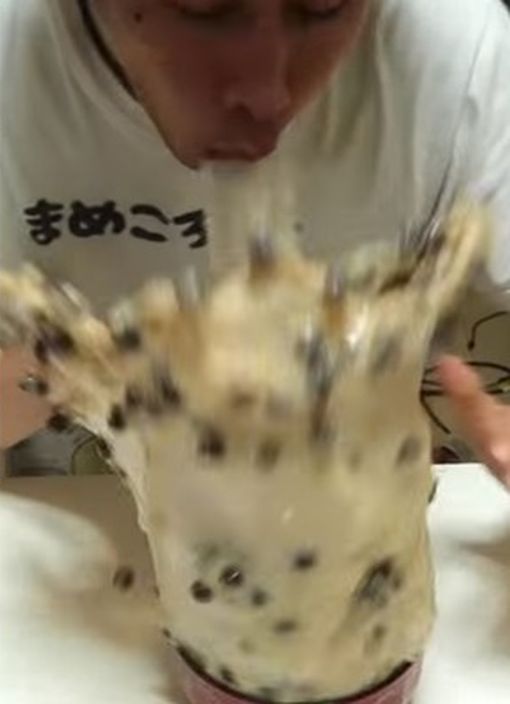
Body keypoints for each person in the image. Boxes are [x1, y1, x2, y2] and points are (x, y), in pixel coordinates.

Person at [1, 0, 510, 483]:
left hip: (358, 508)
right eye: (202, 6)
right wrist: (74, 369)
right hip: (63, 514)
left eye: (324, 6)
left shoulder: (454, 55)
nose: (267, 93)